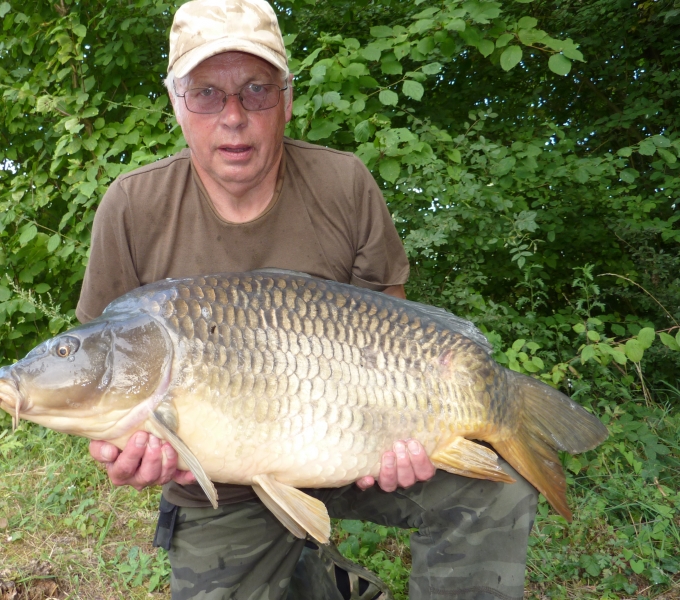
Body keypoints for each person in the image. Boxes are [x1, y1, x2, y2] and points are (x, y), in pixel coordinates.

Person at [76, 0, 538, 598]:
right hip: (222, 483)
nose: (234, 116)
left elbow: (400, 333)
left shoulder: (343, 184)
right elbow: (100, 368)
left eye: (257, 90)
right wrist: (118, 451)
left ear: (287, 100)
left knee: (497, 487)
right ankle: (318, 580)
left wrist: (410, 434)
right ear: (176, 104)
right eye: (207, 94)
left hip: (354, 438)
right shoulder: (132, 209)